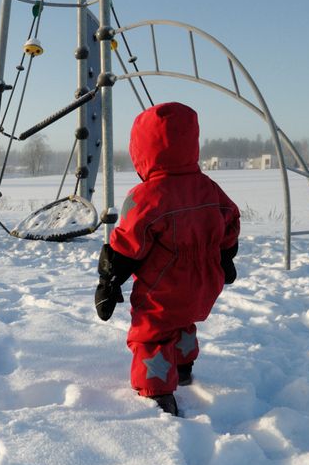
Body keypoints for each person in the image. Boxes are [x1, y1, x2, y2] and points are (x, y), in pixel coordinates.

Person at [95, 102, 240, 416]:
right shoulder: (209, 187)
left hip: (164, 285)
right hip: (204, 283)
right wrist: (225, 258)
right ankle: (183, 365)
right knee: (183, 321)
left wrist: (109, 280)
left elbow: (128, 243)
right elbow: (230, 219)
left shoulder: (146, 195)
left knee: (152, 330)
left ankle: (158, 390)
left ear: (142, 151)